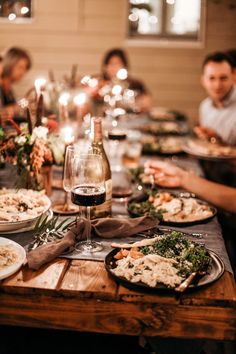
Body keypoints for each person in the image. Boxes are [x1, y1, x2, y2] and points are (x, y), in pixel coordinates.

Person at [195, 52, 236, 145]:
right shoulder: (204, 106)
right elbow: (211, 145)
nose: (217, 85)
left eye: (223, 78)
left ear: (234, 77)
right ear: (203, 81)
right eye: (212, 78)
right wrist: (215, 138)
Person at [100, 48, 151, 112]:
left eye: (117, 63)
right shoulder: (100, 86)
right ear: (105, 67)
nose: (114, 67)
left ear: (124, 66)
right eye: (111, 63)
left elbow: (146, 104)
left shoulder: (135, 84)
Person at [0, 47, 32, 123]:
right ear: (9, 64)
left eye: (25, 69)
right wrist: (15, 109)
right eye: (20, 67)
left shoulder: (9, 89)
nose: (23, 72)